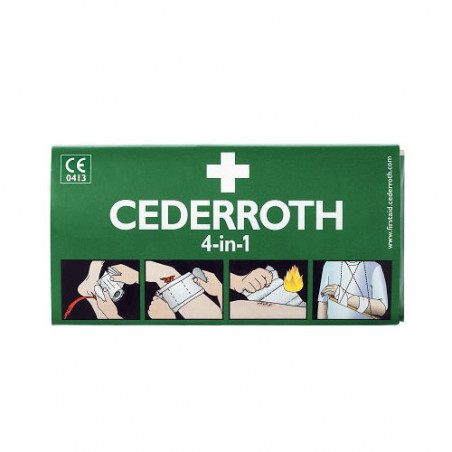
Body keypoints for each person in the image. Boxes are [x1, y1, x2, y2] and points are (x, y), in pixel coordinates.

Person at [317, 261, 388, 320]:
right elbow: (322, 303)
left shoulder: (375, 266)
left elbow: (382, 308)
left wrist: (341, 295)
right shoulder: (329, 264)